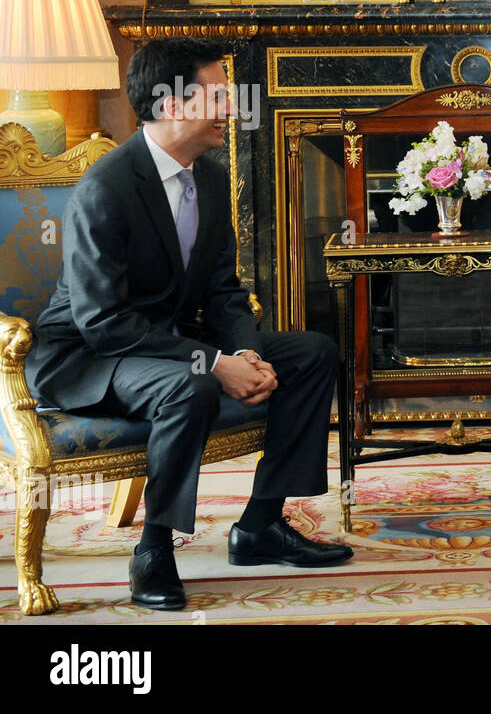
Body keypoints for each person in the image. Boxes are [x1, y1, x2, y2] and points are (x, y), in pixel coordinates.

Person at [27, 38, 352, 611]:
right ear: (174, 104)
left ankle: (259, 527)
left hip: (164, 343)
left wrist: (247, 355)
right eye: (220, 94)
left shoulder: (210, 178)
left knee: (314, 351)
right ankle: (154, 549)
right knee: (192, 381)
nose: (231, 107)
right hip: (89, 354)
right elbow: (104, 321)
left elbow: (225, 291)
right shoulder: (106, 188)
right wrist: (214, 363)